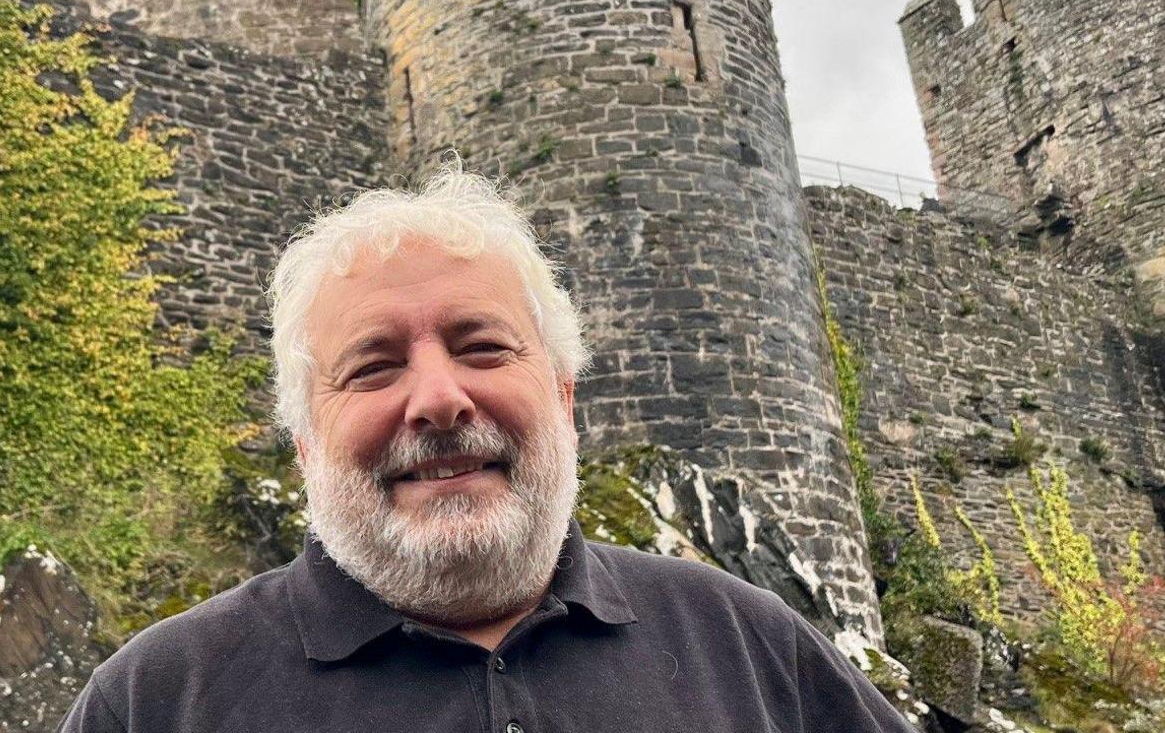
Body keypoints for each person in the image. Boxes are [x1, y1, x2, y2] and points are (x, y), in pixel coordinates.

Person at [58, 167, 909, 732]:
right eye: (373, 366)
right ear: (306, 443)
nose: (436, 399)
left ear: (565, 397)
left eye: (483, 347)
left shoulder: (752, 650)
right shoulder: (154, 703)